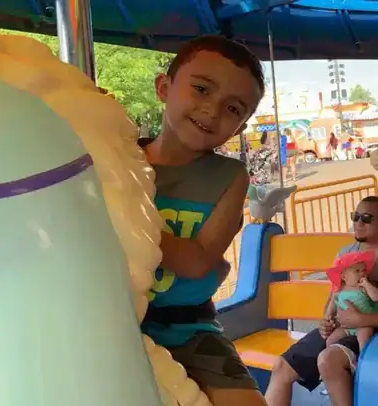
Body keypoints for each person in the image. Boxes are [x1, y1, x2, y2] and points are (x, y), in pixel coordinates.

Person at [137, 35, 266, 406]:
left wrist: (124, 223)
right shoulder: (120, 157)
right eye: (201, 89)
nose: (212, 110)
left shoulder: (229, 176)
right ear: (164, 88)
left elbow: (198, 261)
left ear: (240, 127)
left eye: (233, 108)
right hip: (116, 320)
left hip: (186, 326)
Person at [265, 196, 378, 406]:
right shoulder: (346, 254)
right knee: (281, 367)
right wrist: (326, 321)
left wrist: (361, 320)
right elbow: (333, 297)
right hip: (343, 326)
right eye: (355, 217)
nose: (358, 223)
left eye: (366, 218)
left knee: (328, 361)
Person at [325, 251, 378, 349]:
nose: (362, 274)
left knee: (363, 339)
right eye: (357, 271)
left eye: (364, 270)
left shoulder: (362, 288)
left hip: (364, 323)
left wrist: (367, 285)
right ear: (344, 277)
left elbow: (377, 298)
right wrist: (329, 315)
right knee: (330, 340)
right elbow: (333, 302)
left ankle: (362, 357)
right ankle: (332, 351)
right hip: (347, 325)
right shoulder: (340, 290)